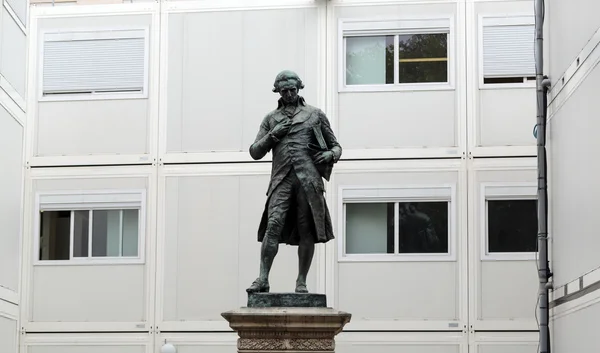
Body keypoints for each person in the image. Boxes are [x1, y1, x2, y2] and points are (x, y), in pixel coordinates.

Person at [246, 70, 342, 294]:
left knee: (306, 230)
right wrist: (273, 135)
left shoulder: (314, 114)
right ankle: (263, 279)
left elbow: (335, 145)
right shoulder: (271, 119)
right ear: (277, 91)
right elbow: (254, 151)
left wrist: (331, 155)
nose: (289, 94)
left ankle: (301, 282)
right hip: (282, 180)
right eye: (284, 90)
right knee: (273, 225)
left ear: (299, 88)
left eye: (292, 89)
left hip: (308, 180)